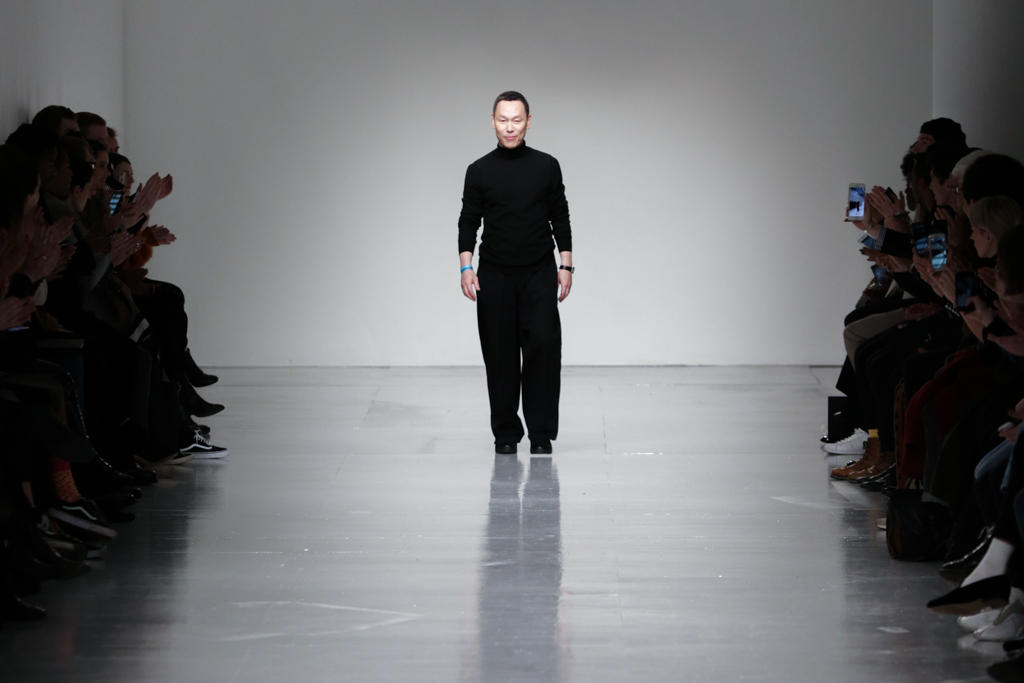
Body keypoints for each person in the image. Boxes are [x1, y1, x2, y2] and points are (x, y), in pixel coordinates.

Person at [457, 91, 573, 456]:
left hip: (539, 272)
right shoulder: (479, 170)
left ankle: (541, 434)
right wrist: (466, 266)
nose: (510, 127)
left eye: (517, 120)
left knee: (544, 348)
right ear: (492, 121)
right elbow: (468, 220)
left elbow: (560, 215)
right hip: (494, 275)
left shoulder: (547, 166)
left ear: (528, 122)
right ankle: (505, 433)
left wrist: (566, 264)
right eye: (503, 120)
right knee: (500, 355)